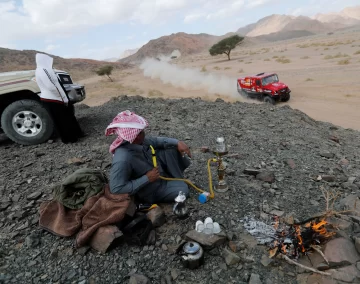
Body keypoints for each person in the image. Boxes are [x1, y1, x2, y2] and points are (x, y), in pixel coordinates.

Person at [106, 110, 192, 204]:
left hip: (155, 174)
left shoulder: (139, 141)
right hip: (149, 189)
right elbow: (116, 189)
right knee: (184, 190)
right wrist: (147, 178)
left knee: (171, 148)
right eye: (142, 132)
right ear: (136, 136)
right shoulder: (122, 159)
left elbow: (156, 141)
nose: (144, 133)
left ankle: (176, 178)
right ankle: (174, 184)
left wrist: (177, 142)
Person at [35, 53, 84, 143]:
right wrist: (63, 98)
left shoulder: (41, 70)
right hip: (53, 99)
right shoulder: (43, 70)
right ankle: (71, 138)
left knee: (64, 118)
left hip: (53, 98)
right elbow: (52, 86)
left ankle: (75, 135)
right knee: (63, 120)